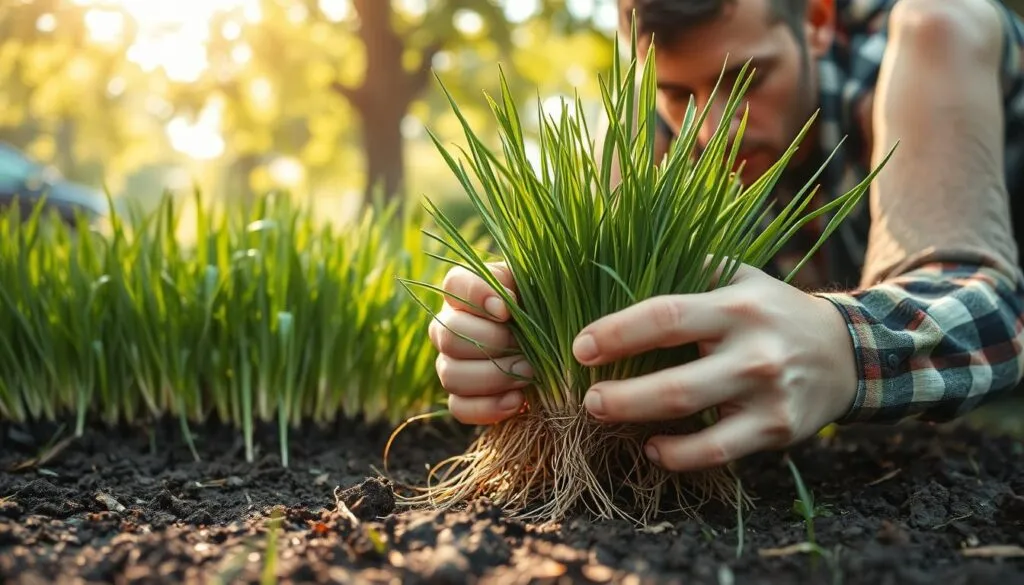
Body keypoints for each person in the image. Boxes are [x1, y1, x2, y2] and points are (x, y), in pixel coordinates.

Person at [427, 0, 1024, 473]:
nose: (712, 133)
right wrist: (516, 323)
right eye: (678, 93)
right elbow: (577, 287)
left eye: (746, 79)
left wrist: (843, 348)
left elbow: (986, 307)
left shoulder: (932, 31)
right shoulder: (649, 121)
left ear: (815, 19)